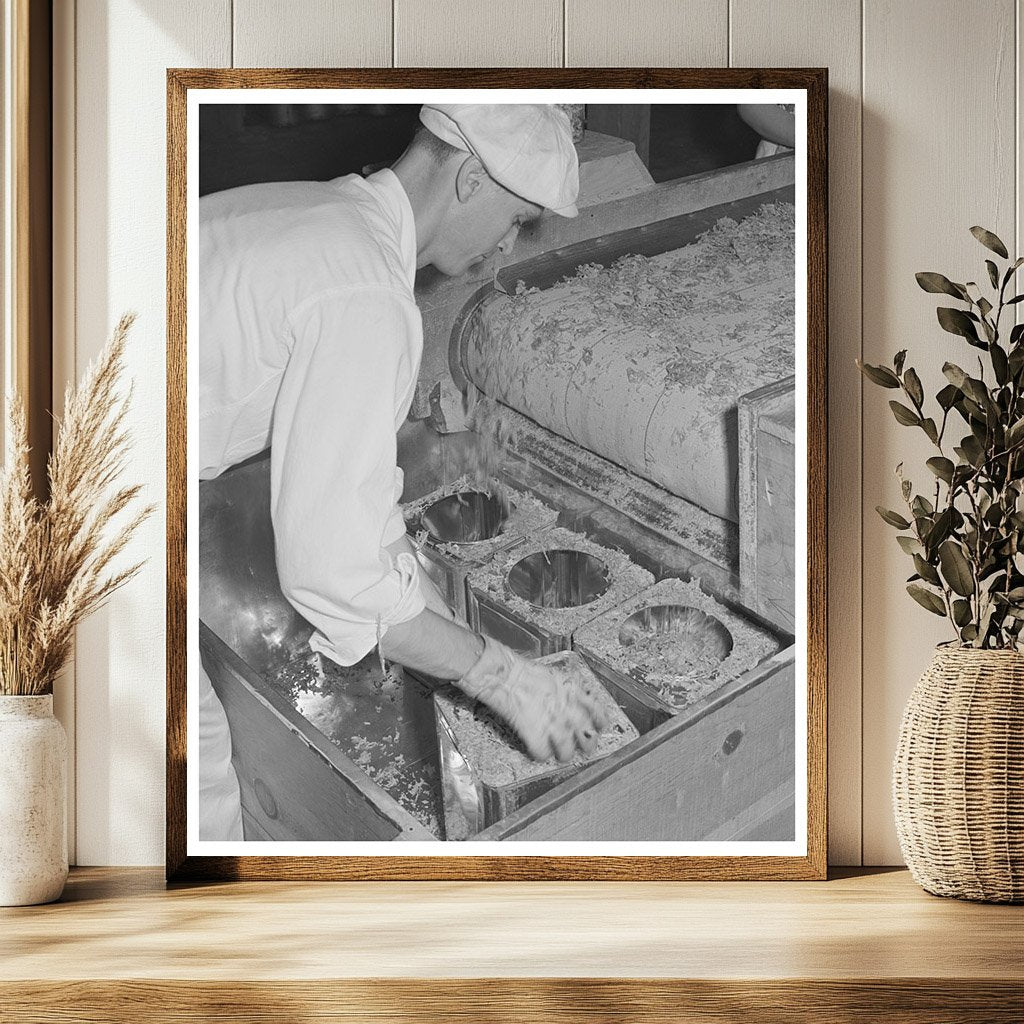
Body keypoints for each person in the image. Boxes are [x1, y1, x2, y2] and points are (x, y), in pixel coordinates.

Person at [196, 104, 609, 840]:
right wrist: (502, 678)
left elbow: (364, 521)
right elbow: (334, 571)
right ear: (470, 178)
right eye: (516, 219)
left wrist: (449, 634)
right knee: (189, 774)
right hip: (71, 481)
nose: (505, 247)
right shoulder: (368, 295)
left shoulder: (330, 213)